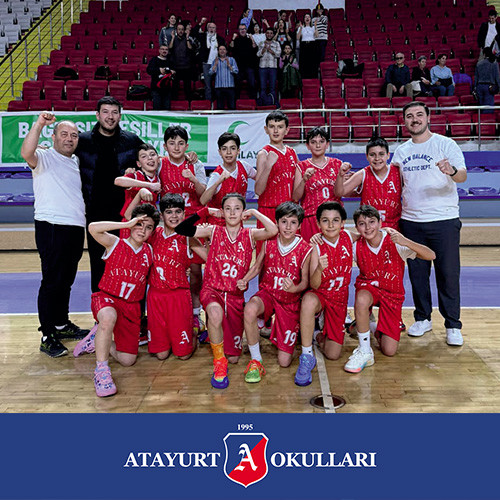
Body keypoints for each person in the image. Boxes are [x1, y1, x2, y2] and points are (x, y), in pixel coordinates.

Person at [174, 194, 278, 389]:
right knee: (214, 314)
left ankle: (227, 355)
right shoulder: (213, 230)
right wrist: (205, 211)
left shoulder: (250, 234)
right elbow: (181, 228)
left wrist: (255, 212)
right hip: (212, 289)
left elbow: (273, 230)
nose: (232, 212)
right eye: (228, 208)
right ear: (222, 212)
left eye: (237, 208)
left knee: (234, 358)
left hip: (234, 296)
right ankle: (218, 362)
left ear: (243, 212)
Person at [391, 101, 467, 346]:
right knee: (418, 275)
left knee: (448, 274)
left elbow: (463, 176)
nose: (415, 119)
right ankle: (422, 318)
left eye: (419, 115)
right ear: (404, 121)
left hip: (444, 220)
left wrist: (451, 170)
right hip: (411, 221)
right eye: (409, 116)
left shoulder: (446, 144)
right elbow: (394, 184)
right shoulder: (401, 151)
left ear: (428, 117)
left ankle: (452, 324)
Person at [21, 112, 89, 357]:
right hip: (51, 225)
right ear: (53, 136)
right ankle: (47, 335)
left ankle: (61, 324)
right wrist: (39, 123)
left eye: (74, 135)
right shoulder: (44, 156)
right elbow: (26, 152)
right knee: (51, 281)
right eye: (64, 134)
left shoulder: (76, 161)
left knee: (66, 279)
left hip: (74, 226)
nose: (69, 139)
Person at [75, 204, 160, 397]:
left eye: (148, 227)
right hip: (108, 298)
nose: (143, 230)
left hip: (131, 307)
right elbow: (93, 227)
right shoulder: (115, 242)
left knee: (127, 360)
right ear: (131, 224)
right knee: (107, 318)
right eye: (139, 224)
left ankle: (96, 339)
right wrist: (127, 224)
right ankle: (101, 371)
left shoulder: (149, 251)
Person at [344, 205, 435, 374]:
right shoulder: (356, 246)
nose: (368, 227)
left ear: (380, 223)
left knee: (389, 350)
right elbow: (337, 235)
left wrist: (405, 241)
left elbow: (431, 255)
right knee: (362, 299)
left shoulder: (395, 241)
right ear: (357, 227)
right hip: (369, 288)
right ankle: (364, 350)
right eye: (362, 224)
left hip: (392, 293)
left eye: (372, 222)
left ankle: (369, 326)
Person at [76, 97, 143, 293]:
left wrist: (186, 157)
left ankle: (126, 308)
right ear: (97, 115)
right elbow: (61, 153)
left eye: (114, 112)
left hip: (124, 213)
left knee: (127, 261)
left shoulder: (132, 140)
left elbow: (151, 159)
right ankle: (100, 307)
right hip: (94, 211)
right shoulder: (82, 141)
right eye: (105, 112)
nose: (110, 116)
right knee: (98, 262)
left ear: (120, 116)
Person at [243, 202, 312, 383]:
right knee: (249, 309)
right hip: (268, 294)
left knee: (284, 362)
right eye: (284, 222)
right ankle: (256, 360)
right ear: (277, 223)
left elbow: (305, 282)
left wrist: (294, 288)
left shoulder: (305, 249)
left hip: (289, 301)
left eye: (293, 222)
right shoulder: (269, 243)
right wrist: (244, 280)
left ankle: (289, 328)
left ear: (299, 225)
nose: (288, 227)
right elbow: (257, 267)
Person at [296, 202, 354, 385]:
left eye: (335, 220)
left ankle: (317, 334)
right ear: (318, 223)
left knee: (333, 354)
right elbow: (314, 284)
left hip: (339, 299)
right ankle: (306, 355)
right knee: (308, 301)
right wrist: (319, 269)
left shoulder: (348, 236)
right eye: (325, 221)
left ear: (343, 222)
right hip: (321, 295)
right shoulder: (315, 246)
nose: (330, 225)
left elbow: (367, 234)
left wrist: (386, 231)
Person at [158, 125, 207, 334]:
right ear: (165, 146)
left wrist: (193, 178)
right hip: (170, 224)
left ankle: (196, 313)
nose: (176, 147)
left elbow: (204, 195)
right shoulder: (160, 164)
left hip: (193, 223)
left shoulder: (196, 164)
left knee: (195, 271)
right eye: (172, 143)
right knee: (170, 269)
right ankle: (170, 312)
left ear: (187, 146)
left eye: (180, 143)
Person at [334, 136, 401, 230]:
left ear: (388, 155)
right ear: (366, 156)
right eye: (372, 155)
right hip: (369, 231)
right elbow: (339, 193)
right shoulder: (363, 174)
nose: (377, 158)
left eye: (381, 154)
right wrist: (340, 175)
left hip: (395, 230)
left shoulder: (398, 172)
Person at [255, 110, 299, 252]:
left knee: (290, 254)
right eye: (272, 127)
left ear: (287, 130)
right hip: (269, 210)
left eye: (280, 127)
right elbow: (258, 190)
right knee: (267, 255)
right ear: (266, 129)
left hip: (290, 211)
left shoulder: (292, 152)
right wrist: (268, 166)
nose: (275, 130)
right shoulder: (263, 154)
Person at [293, 127, 342, 242]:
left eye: (321, 141)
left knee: (334, 251)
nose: (318, 145)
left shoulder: (337, 164)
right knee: (311, 252)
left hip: (333, 218)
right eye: (313, 142)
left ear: (327, 144)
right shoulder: (301, 166)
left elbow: (342, 191)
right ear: (307, 145)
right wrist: (304, 180)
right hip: (310, 218)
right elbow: (295, 197)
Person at [200, 132, 256, 225]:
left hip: (237, 223)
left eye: (232, 148)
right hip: (218, 224)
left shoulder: (245, 166)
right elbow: (203, 201)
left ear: (238, 151)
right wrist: (219, 181)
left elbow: (260, 179)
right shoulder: (216, 175)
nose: (228, 152)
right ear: (220, 152)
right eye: (224, 149)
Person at [114, 144, 161, 238]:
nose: (149, 158)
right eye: (144, 156)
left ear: (158, 159)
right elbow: (118, 181)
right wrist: (149, 185)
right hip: (130, 225)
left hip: (148, 226)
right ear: (139, 164)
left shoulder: (159, 178)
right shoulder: (135, 175)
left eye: (152, 155)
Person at [193, 20, 225, 101]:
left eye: (213, 27)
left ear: (216, 29)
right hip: (206, 64)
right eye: (210, 27)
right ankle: (208, 102)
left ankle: (218, 102)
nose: (211, 29)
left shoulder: (220, 39)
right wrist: (201, 23)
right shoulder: (202, 36)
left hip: (217, 64)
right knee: (208, 86)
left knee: (218, 85)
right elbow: (193, 32)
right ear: (207, 28)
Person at [230, 24, 258, 99]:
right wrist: (233, 38)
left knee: (252, 84)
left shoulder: (250, 40)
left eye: (244, 29)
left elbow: (255, 48)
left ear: (246, 30)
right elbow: (231, 48)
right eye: (241, 29)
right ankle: (236, 101)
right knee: (237, 85)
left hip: (249, 66)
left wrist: (252, 38)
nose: (242, 30)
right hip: (239, 66)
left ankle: (253, 101)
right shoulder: (236, 40)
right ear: (238, 31)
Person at [169, 22, 195, 100]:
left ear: (184, 31)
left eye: (182, 29)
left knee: (187, 87)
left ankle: (189, 104)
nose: (180, 31)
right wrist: (173, 38)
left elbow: (190, 48)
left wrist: (187, 38)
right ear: (176, 30)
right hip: (176, 67)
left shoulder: (187, 39)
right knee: (175, 87)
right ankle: (174, 104)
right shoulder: (173, 39)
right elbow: (170, 48)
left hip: (186, 67)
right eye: (179, 29)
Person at [256, 28, 281, 106]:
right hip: (262, 67)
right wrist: (264, 49)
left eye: (271, 33)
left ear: (273, 34)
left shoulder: (276, 43)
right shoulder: (261, 43)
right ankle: (263, 104)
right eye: (268, 33)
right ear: (265, 34)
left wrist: (271, 50)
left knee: (272, 87)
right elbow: (258, 54)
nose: (269, 34)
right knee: (262, 87)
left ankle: (272, 103)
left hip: (272, 67)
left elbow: (278, 54)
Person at [209, 44, 238, 110]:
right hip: (219, 87)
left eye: (224, 49)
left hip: (230, 87)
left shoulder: (231, 60)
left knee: (232, 107)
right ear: (218, 51)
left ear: (226, 51)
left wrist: (229, 65)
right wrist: (215, 65)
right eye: (220, 49)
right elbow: (210, 72)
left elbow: (236, 71)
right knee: (220, 108)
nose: (222, 51)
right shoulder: (215, 60)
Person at [146, 45, 175, 110]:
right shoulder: (154, 60)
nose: (164, 51)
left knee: (167, 110)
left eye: (166, 49)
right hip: (156, 89)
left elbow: (174, 72)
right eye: (162, 49)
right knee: (157, 109)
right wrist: (159, 70)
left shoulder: (170, 61)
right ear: (159, 50)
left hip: (167, 90)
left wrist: (173, 73)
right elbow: (149, 70)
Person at [474, 46, 500, 112]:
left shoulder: (478, 64)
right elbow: (497, 77)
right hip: (489, 87)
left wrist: (475, 87)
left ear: (484, 54)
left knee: (481, 107)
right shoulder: (494, 63)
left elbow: (476, 77)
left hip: (479, 87)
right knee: (488, 108)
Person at [296, 14, 319, 79]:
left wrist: (315, 26)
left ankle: (313, 78)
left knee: (313, 62)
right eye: (305, 17)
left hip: (312, 45)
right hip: (304, 45)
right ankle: (304, 78)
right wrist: (300, 28)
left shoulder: (313, 27)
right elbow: (297, 37)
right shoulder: (301, 28)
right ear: (304, 19)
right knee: (304, 62)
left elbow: (317, 36)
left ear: (310, 19)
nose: (307, 18)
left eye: (308, 17)